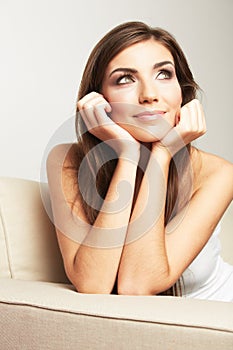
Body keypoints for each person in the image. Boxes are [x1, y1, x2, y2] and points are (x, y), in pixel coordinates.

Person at [46, 21, 233, 301]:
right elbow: (93, 284)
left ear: (182, 91)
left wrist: (162, 152)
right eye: (125, 79)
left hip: (214, 323)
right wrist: (128, 153)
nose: (148, 95)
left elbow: (137, 285)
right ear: (99, 98)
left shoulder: (217, 173)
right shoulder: (67, 160)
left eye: (164, 74)